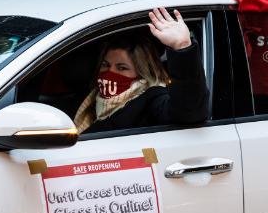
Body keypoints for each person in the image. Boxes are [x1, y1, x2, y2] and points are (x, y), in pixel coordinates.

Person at [73, 7, 208, 134]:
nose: (110, 72)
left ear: (142, 72)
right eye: (105, 65)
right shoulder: (90, 99)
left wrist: (182, 47)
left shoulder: (152, 101)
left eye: (122, 68)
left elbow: (189, 111)